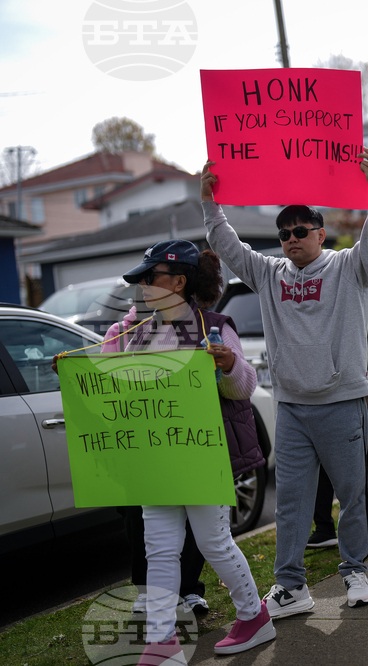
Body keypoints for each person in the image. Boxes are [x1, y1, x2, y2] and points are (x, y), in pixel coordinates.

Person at [200, 147, 368, 617]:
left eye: (301, 231)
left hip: (343, 401)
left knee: (352, 494)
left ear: (321, 233)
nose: (291, 238)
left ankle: (354, 571)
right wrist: (209, 204)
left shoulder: (350, 267)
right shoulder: (267, 274)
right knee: (291, 503)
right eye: (284, 233)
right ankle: (290, 586)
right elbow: (228, 247)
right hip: (291, 407)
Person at [112, 240, 274, 661]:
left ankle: (254, 617)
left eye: (152, 277)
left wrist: (228, 366)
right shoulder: (139, 332)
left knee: (213, 542)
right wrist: (78, 373)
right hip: (157, 460)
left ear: (179, 281)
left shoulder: (215, 325)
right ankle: (162, 639)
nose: (144, 285)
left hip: (205, 457)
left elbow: (243, 389)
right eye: (142, 280)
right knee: (159, 549)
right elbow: (117, 384)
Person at [98, 307, 211, 619]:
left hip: (180, 438)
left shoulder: (189, 325)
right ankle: (147, 590)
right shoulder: (119, 332)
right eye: (145, 283)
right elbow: (102, 382)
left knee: (189, 514)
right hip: (136, 443)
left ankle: (188, 588)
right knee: (137, 517)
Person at [307, 313, 368, 548]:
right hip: (326, 405)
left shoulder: (363, 314)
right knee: (321, 469)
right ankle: (323, 527)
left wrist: (337, 367)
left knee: (366, 465)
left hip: (363, 405)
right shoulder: (318, 316)